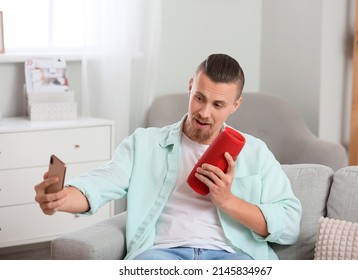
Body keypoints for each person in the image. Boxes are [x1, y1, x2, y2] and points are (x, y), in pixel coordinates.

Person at [35, 53, 302, 260]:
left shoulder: (255, 152)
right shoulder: (145, 144)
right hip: (161, 255)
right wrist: (60, 198)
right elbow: (99, 185)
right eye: (200, 98)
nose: (204, 113)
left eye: (218, 104)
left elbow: (290, 225)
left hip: (233, 257)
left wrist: (228, 201)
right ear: (190, 87)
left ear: (235, 105)